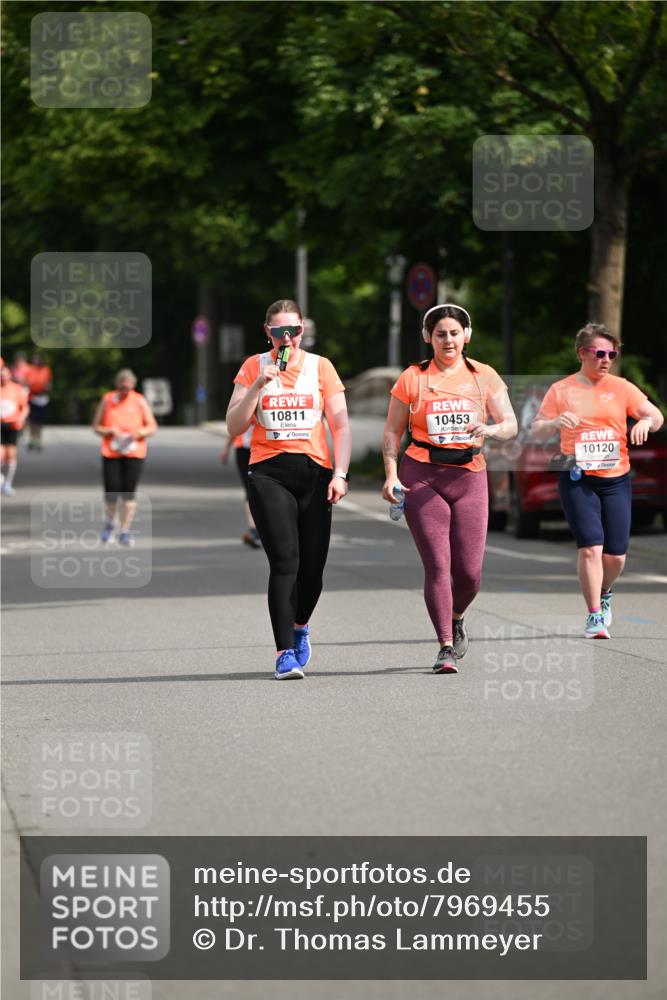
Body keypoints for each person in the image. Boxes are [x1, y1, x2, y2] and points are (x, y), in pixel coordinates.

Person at [382, 304, 518, 674]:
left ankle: (457, 616)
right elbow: (393, 432)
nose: (448, 340)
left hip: (470, 476)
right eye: (440, 333)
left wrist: (491, 430)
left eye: (454, 333)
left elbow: (509, 423)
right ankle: (444, 644)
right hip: (422, 474)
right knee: (438, 565)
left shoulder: (483, 376)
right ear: (429, 337)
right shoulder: (413, 378)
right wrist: (391, 474)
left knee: (471, 574)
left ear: (466, 336)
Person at [226, 299, 351, 680]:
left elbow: (340, 426)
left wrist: (340, 474)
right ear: (267, 332)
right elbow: (234, 426)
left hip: (315, 475)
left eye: (293, 331)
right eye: (278, 332)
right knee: (284, 562)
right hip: (269, 474)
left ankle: (299, 627)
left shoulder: (320, 367)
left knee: (313, 570)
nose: (286, 339)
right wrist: (257, 387)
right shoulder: (253, 367)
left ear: (302, 330)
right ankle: (283, 654)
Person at [531, 322, 664, 639]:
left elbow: (657, 416)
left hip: (616, 478)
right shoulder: (561, 390)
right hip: (577, 477)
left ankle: (605, 591)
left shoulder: (621, 388)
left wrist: (646, 421)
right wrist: (553, 422)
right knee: (590, 547)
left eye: (612, 354)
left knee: (615, 556)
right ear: (582, 353)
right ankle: (593, 615)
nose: (606, 359)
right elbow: (536, 428)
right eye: (599, 353)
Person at [91, 369, 158, 546]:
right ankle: (110, 524)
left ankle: (124, 530)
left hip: (134, 452)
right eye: (121, 388)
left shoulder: (139, 401)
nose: (124, 392)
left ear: (132, 387)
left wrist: (139, 433)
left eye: (127, 389)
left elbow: (152, 426)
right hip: (111, 452)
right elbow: (96, 426)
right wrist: (109, 430)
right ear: (117, 386)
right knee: (111, 491)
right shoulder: (107, 400)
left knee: (129, 493)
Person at [220, 420, 262, 549]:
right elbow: (235, 426)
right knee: (250, 489)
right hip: (244, 449)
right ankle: (255, 531)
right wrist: (226, 448)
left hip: (264, 449)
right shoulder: (245, 399)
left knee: (263, 489)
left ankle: (259, 530)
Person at [0, 364, 30, 496]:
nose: (3, 377)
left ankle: (7, 484)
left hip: (12, 425)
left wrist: (21, 419)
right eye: (1, 375)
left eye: (5, 374)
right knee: (1, 454)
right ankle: (1, 478)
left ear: (10, 375)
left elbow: (25, 408)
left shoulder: (17, 389)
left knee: (10, 455)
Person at [26, 354, 53, 451]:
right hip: (32, 397)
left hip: (42, 397)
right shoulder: (30, 370)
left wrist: (48, 389)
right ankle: (32, 439)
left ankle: (39, 440)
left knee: (40, 421)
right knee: (32, 420)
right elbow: (26, 382)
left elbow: (49, 383)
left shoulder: (46, 370)